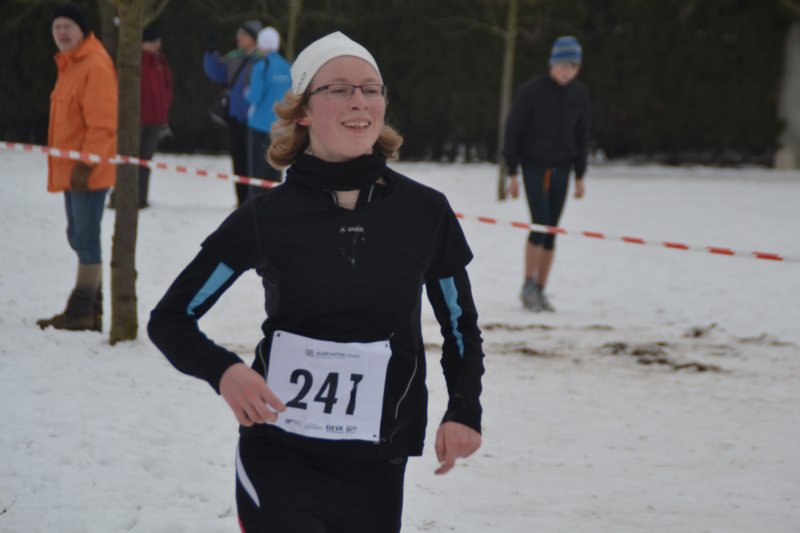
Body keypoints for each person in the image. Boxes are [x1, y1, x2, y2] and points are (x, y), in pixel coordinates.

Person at [149, 31, 484, 532]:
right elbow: (171, 318)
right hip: (280, 451)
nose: (359, 101)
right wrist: (224, 372)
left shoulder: (425, 212)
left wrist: (464, 410)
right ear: (303, 110)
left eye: (371, 89)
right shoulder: (266, 216)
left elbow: (460, 327)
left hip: (378, 462)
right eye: (339, 89)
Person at [37, 4, 117, 332]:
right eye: (57, 27)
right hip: (72, 171)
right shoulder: (70, 64)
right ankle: (93, 308)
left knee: (85, 239)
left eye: (68, 26)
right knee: (78, 236)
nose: (62, 33)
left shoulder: (94, 65)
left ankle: (82, 310)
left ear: (83, 30)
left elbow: (103, 124)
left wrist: (87, 163)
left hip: (88, 172)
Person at [503, 35, 591, 312]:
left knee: (552, 229)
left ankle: (541, 288)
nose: (567, 71)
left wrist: (580, 174)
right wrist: (512, 171)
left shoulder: (579, 94)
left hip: (563, 168)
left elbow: (582, 135)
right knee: (539, 224)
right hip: (534, 167)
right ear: (552, 63)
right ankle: (528, 284)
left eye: (573, 66)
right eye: (563, 65)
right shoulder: (531, 92)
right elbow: (513, 131)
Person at [204, 20, 263, 207]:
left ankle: (257, 200)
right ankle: (242, 200)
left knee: (258, 162)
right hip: (237, 118)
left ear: (253, 38)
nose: (238, 37)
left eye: (243, 34)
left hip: (259, 121)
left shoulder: (264, 60)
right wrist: (211, 53)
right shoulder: (234, 58)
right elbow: (216, 72)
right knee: (239, 161)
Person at [245, 26, 291, 199]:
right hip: (280, 125)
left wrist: (246, 93)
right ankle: (274, 205)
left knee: (257, 172)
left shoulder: (260, 66)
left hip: (259, 124)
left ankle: (255, 206)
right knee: (275, 169)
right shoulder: (287, 67)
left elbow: (255, 96)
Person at [137, 27, 173, 208]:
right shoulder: (135, 61)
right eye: (153, 42)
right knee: (130, 160)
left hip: (156, 120)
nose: (157, 45)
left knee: (145, 161)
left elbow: (167, 87)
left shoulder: (161, 61)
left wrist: (164, 106)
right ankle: (123, 196)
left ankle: (141, 197)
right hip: (137, 120)